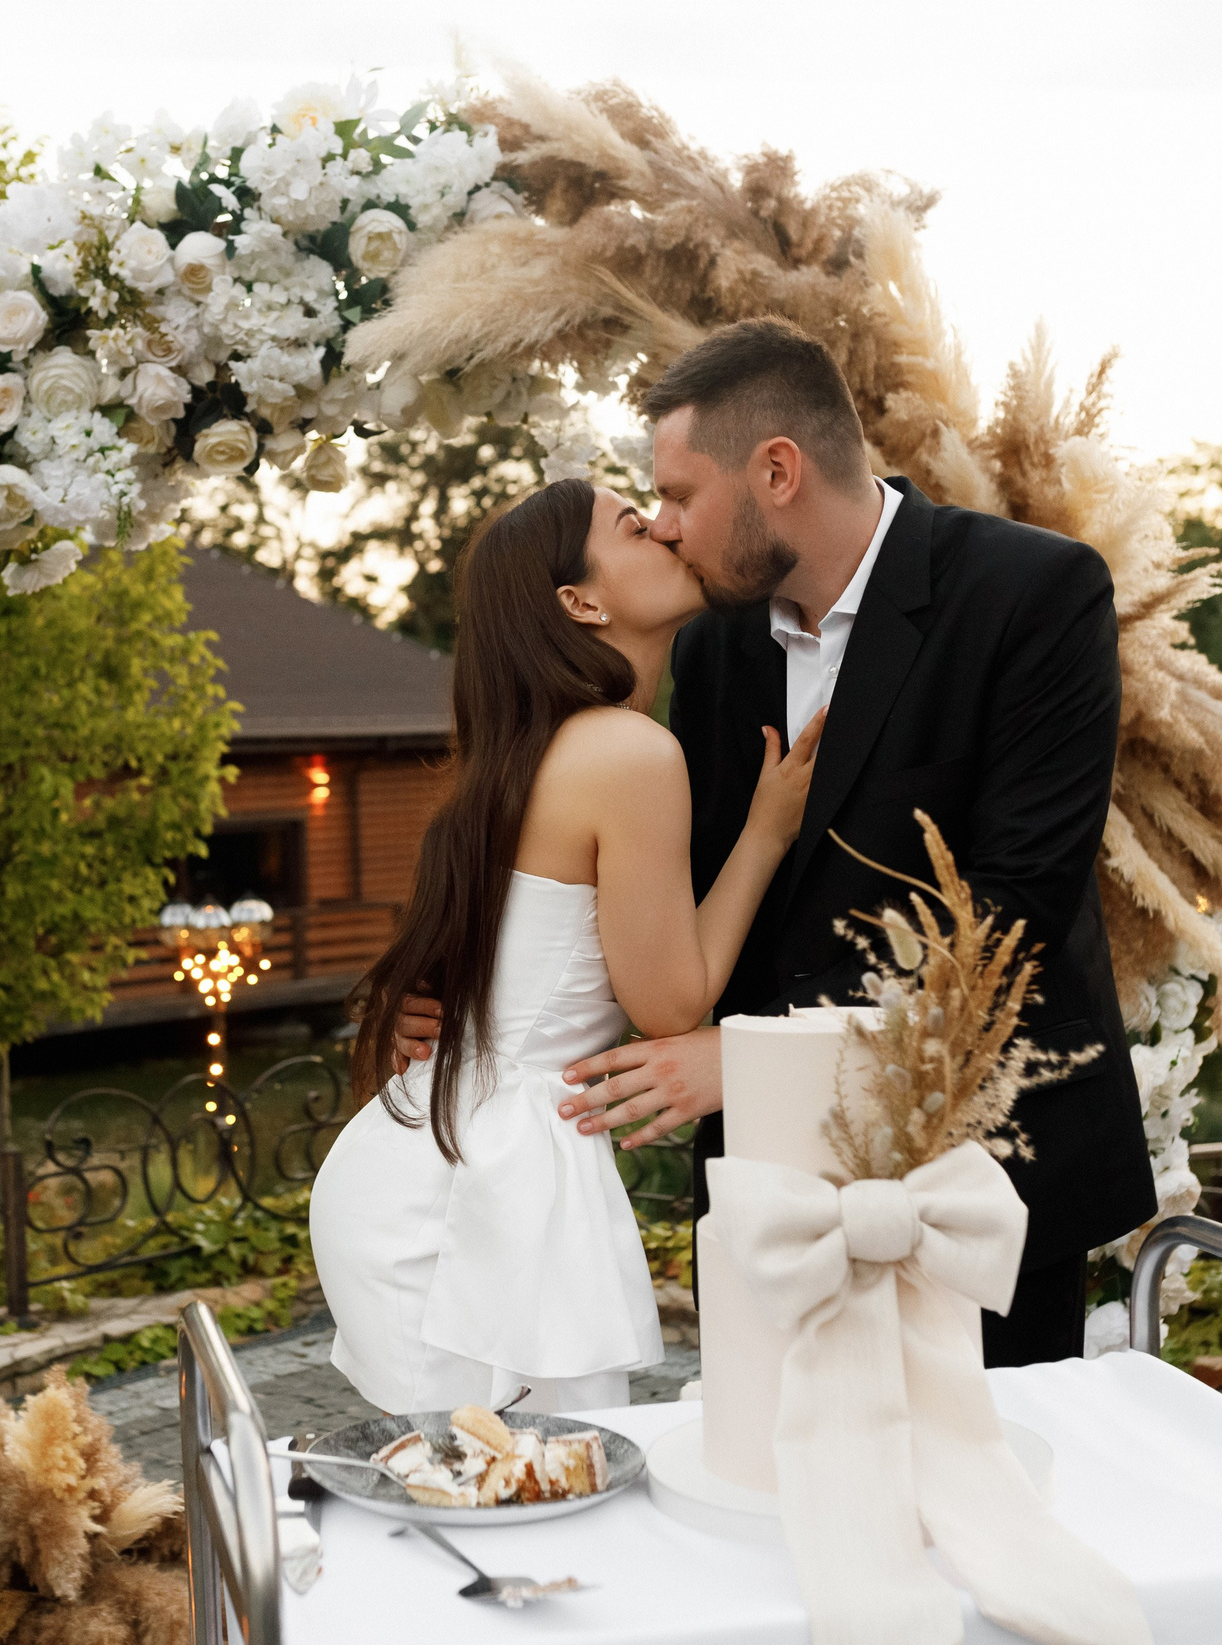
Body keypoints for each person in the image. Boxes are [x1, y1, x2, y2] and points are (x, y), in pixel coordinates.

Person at [394, 317, 1159, 1365]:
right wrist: (473, 1001)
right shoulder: (705, 646)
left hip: (979, 1173)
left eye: (676, 495)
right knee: (765, 1503)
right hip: (767, 1189)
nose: (662, 527)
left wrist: (752, 1060)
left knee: (986, 1500)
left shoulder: (1034, 595)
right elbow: (656, 903)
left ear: (777, 471)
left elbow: (1015, 914)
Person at [311, 478, 826, 1414]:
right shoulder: (628, 755)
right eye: (634, 526)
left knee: (474, 1499)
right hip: (487, 1192)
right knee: (531, 1491)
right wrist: (764, 833)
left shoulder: (520, 753)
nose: (666, 528)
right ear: (580, 603)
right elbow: (672, 1005)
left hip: (419, 1157)